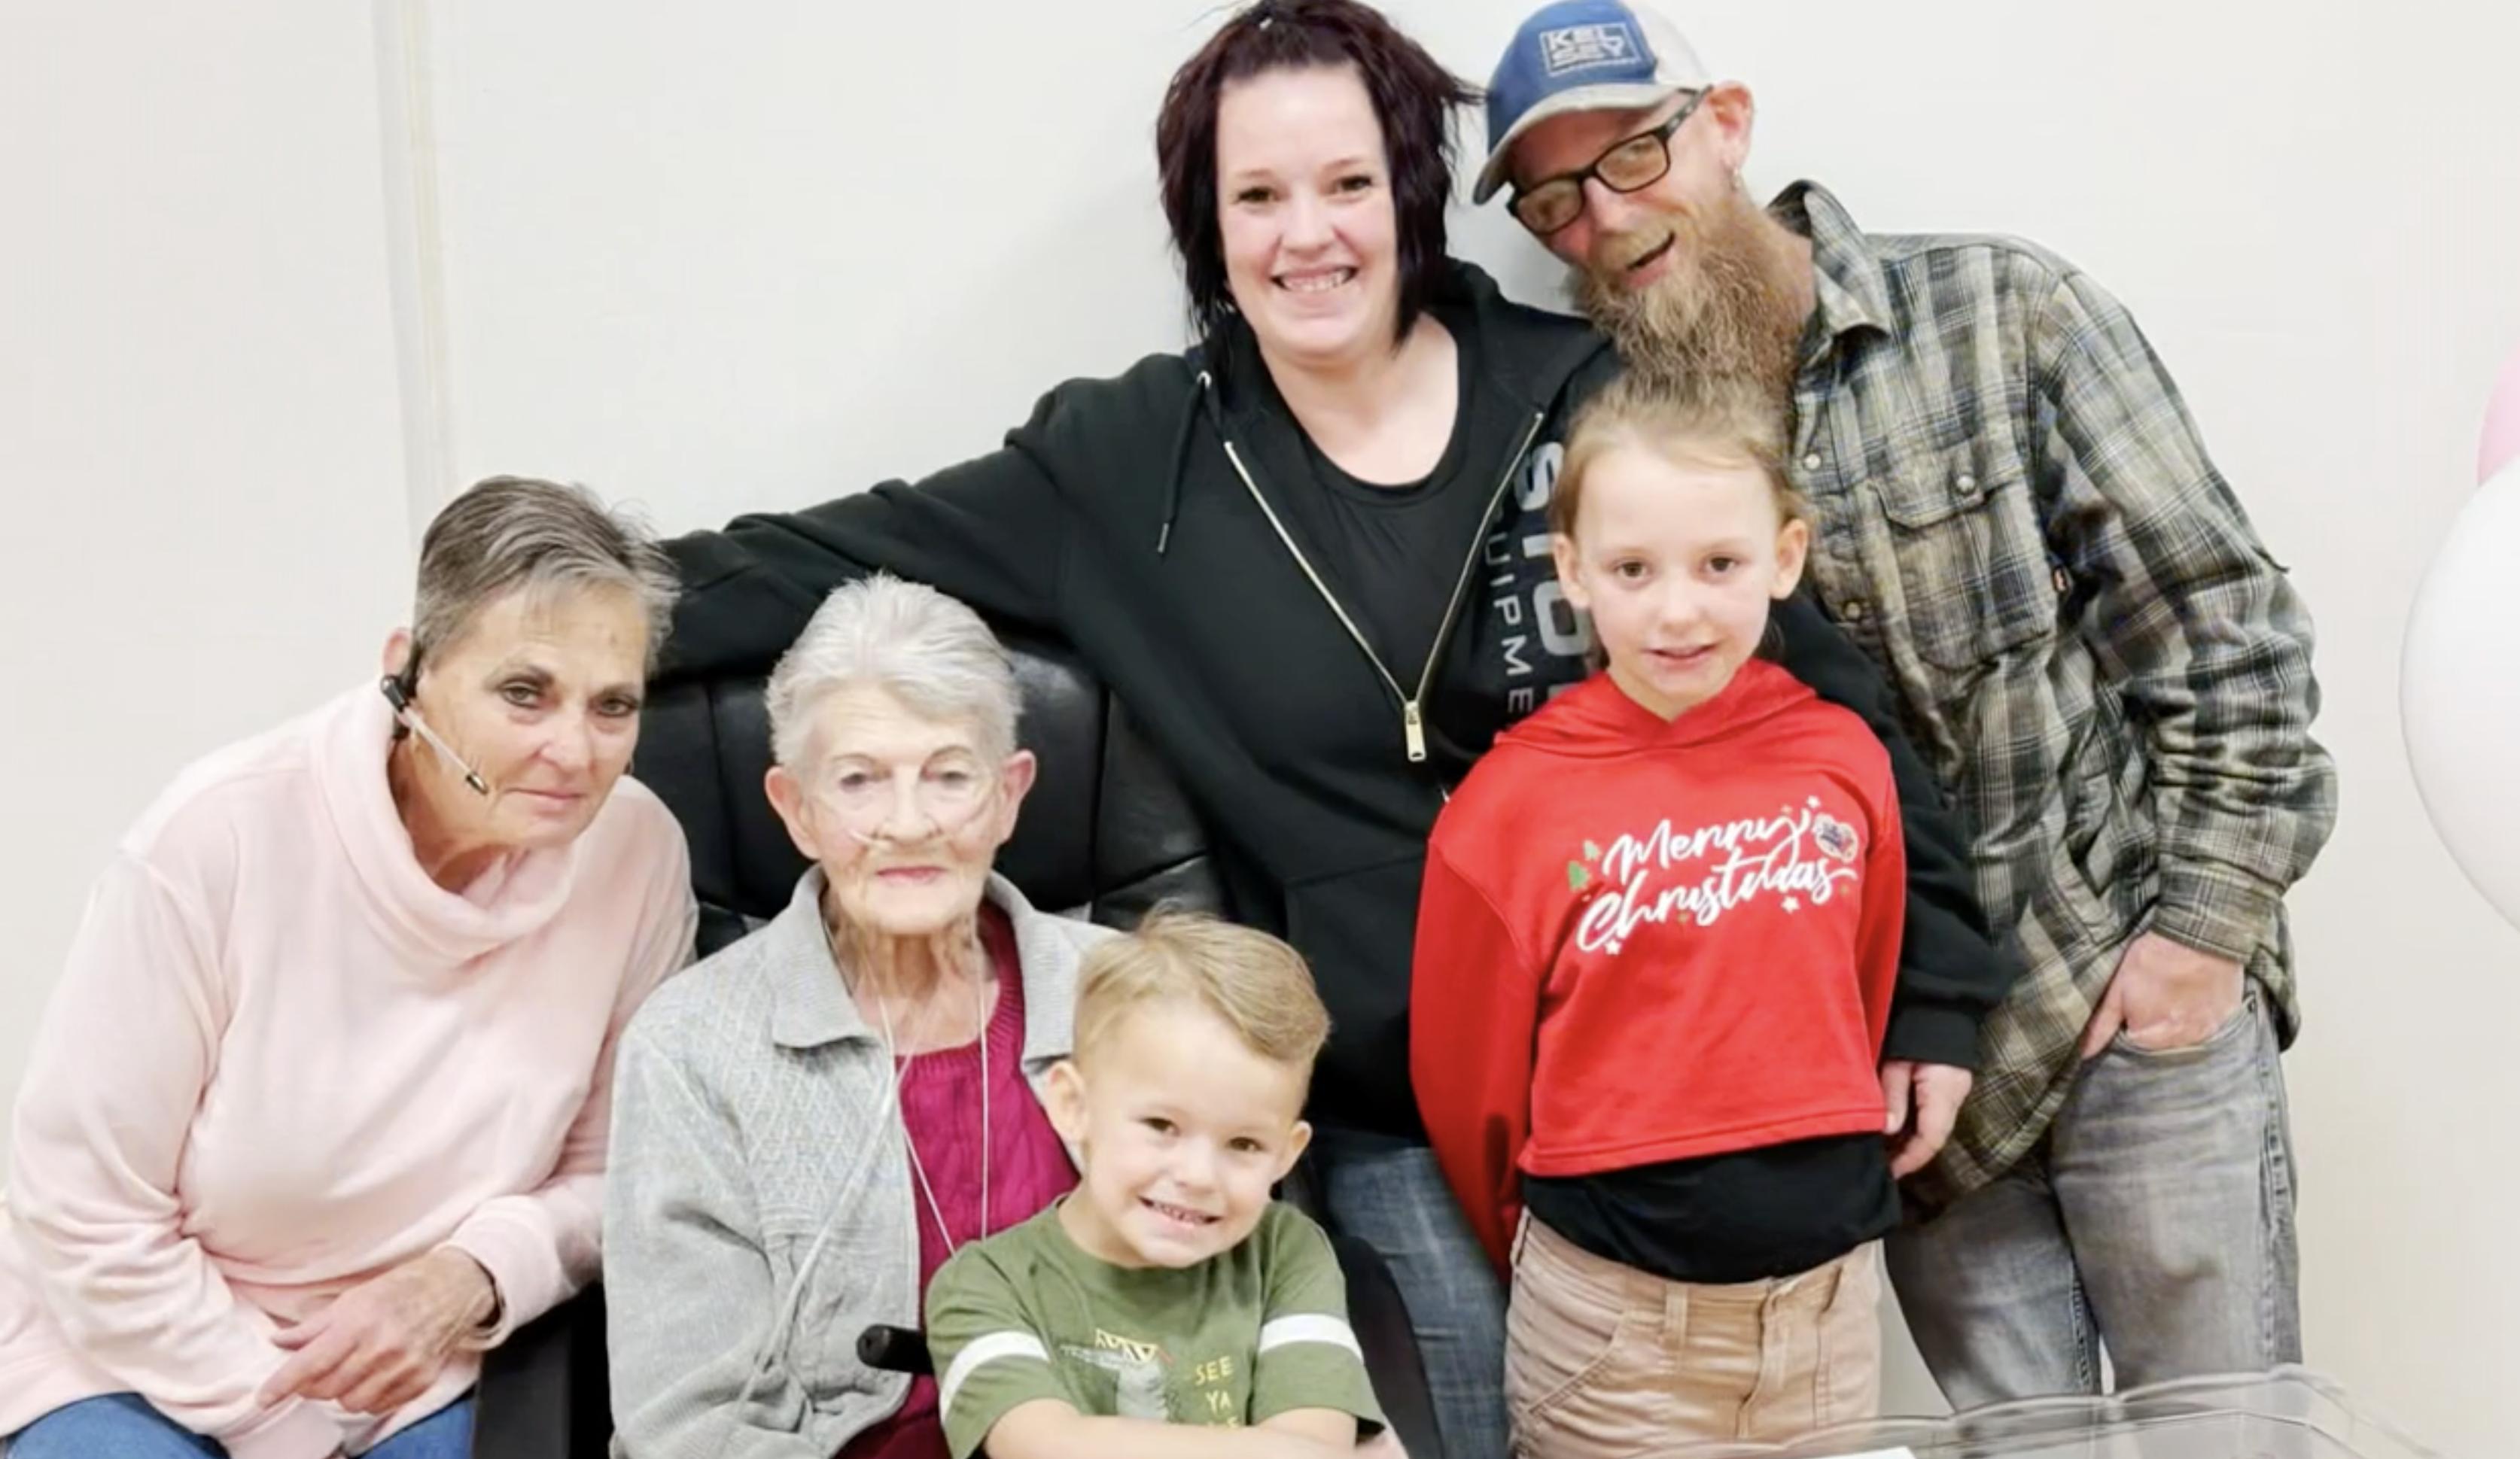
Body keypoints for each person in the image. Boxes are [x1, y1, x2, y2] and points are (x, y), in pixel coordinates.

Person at [654, 4, 2014, 1454]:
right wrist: (549, 624)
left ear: (1410, 196)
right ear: (1207, 224)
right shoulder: (1126, 461)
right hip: (1396, 1124)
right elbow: (813, 556)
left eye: (1347, 184)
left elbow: (1819, 709)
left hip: (1673, 1110)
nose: (1308, 235)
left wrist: (1930, 982)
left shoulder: (1586, 402)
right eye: (1257, 195)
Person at [1475, 0, 2339, 1403]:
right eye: (1553, 196)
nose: (1600, 220)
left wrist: (2199, 933)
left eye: (1631, 157)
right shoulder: (1614, 459)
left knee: (2220, 1432)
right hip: (1904, 1086)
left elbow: (2224, 630)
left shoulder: (2002, 310)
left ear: (1727, 125)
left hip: (2126, 985)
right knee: (2014, 1443)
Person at [0, 477, 698, 1459]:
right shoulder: (215, 839)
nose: (574, 750)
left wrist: (472, 1274)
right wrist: (291, 1418)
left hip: (430, 1356)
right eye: (524, 692)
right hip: (133, 1349)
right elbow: (84, 1210)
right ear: (408, 672)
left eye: (613, 705)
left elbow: (615, 1170)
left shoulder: (636, 851)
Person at [1414, 375, 1907, 1454]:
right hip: (1613, 1335)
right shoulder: (1510, 804)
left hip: (1826, 1318)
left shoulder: (1842, 758)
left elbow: (1856, 991)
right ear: (1575, 572)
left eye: (1719, 565)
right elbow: (1471, 1083)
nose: (1677, 609)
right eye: (1633, 569)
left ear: (1783, 557)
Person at [603, 574, 1118, 1459]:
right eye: (860, 780)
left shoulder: (1128, 997)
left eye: (950, 775)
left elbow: (1246, 1300)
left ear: (1009, 793)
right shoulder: (693, 1045)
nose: (908, 823)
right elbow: (690, 1426)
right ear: (796, 810)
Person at [924, 911, 1383, 1459]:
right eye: (1162, 1126)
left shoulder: (1288, 1254)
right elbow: (1045, 1447)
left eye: (1244, 1145)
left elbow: (1317, 1446)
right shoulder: (982, 1283)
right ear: (1073, 1105)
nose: (1197, 1175)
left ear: (1287, 1154)